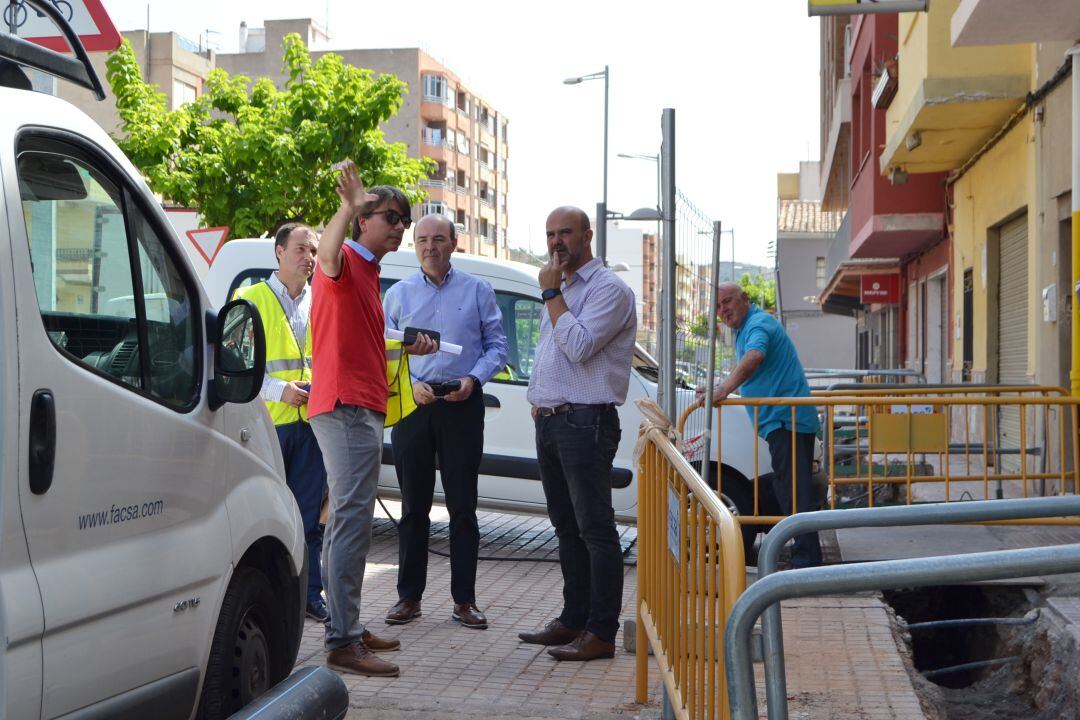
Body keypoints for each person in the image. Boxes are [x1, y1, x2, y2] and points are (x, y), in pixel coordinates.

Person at [308, 161, 437, 678]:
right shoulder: (345, 260)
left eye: (404, 219)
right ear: (364, 221)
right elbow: (325, 254)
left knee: (352, 523)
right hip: (344, 406)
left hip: (360, 407)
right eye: (392, 216)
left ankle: (349, 628)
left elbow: (361, 338)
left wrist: (406, 342)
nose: (401, 227)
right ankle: (341, 641)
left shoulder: (370, 273)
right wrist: (348, 205)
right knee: (349, 523)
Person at [518, 206, 637, 662]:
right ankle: (573, 619)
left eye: (565, 233)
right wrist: (538, 400)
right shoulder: (563, 289)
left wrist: (550, 292)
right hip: (552, 420)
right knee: (565, 527)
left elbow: (582, 347)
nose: (555, 242)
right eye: (550, 234)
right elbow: (553, 354)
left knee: (595, 530)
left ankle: (601, 633)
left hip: (585, 422)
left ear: (587, 235)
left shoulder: (610, 290)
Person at [382, 214, 509, 631]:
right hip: (413, 406)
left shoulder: (478, 290)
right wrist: (410, 382)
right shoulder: (397, 295)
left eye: (439, 239)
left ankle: (465, 601)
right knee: (413, 508)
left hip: (462, 405)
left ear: (455, 243)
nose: (430, 246)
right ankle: (408, 597)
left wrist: (473, 380)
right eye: (422, 240)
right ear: (413, 246)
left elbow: (497, 347)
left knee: (463, 508)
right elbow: (384, 354)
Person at [235, 222, 328, 622]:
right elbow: (235, 361)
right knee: (265, 517)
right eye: (302, 250)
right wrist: (279, 390)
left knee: (309, 517)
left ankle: (309, 595)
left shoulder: (322, 299)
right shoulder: (250, 298)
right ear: (278, 251)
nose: (309, 258)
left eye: (313, 251)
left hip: (312, 424)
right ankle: (271, 597)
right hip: (267, 426)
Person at [699, 282, 821, 568]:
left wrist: (722, 391)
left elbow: (755, 357)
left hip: (786, 420)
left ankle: (807, 561)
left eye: (727, 302)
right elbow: (751, 370)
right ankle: (802, 552)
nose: (723, 310)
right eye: (717, 307)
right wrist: (719, 387)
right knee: (787, 488)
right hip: (781, 422)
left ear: (745, 298)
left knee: (794, 492)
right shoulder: (745, 329)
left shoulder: (757, 324)